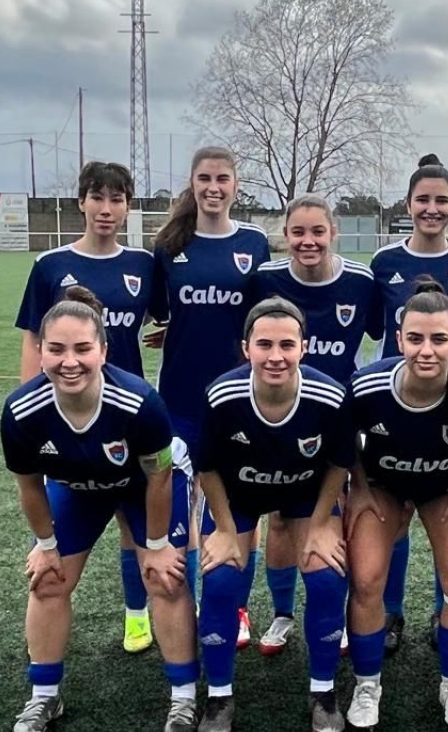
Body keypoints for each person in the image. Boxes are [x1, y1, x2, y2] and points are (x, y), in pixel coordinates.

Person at [1, 287, 198, 732]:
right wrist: (46, 546)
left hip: (144, 486)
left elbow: (160, 475)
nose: (69, 361)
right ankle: (44, 697)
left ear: (103, 351)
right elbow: (30, 486)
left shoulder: (140, 403)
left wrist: (159, 545)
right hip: (78, 488)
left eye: (82, 348)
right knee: (48, 579)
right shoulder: (21, 410)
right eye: (56, 349)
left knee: (164, 578)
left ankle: (183, 698)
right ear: (40, 351)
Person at [13, 161, 161, 653]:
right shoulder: (50, 266)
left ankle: (136, 614)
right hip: (67, 413)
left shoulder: (142, 263)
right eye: (97, 198)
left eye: (117, 199)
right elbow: (35, 337)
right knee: (78, 505)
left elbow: (170, 317)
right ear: (81, 202)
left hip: (127, 411)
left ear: (127, 206)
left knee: (129, 516)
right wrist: (33, 407)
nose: (106, 209)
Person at [192, 297, 354, 732]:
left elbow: (339, 464)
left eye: (287, 344)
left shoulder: (330, 396)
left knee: (325, 577)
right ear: (246, 348)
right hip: (238, 498)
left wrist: (321, 524)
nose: (276, 356)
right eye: (264, 344)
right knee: (222, 578)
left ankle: (323, 691)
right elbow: (205, 467)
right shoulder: (223, 394)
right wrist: (225, 529)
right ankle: (219, 697)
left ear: (305, 347)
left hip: (305, 497)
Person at [344, 278, 448, 729]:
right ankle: (367, 682)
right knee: (367, 579)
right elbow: (342, 440)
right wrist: (362, 489)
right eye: (415, 338)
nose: (426, 350)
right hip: (383, 484)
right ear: (398, 340)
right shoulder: (369, 386)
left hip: (443, 487)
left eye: (438, 339)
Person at [368, 153, 448, 653]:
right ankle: (391, 613)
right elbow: (376, 334)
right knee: (394, 511)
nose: (432, 209)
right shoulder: (385, 263)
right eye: (423, 199)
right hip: (397, 405)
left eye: (441, 200)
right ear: (409, 203)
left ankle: (446, 610)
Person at [151, 146, 271, 646]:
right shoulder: (169, 245)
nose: (213, 187)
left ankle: (235, 607)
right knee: (183, 506)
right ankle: (188, 603)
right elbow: (157, 311)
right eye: (205, 178)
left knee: (239, 510)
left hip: (239, 403)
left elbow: (267, 320)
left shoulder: (255, 242)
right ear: (193, 182)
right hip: (178, 399)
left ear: (236, 185)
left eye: (223, 178)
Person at [252, 194, 382, 655]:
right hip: (281, 416)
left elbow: (383, 335)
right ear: (286, 236)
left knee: (342, 519)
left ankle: (342, 615)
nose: (308, 242)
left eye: (317, 232)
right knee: (283, 520)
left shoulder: (362, 281)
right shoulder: (265, 280)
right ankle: (283, 614)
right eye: (298, 233)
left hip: (341, 420)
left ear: (334, 234)